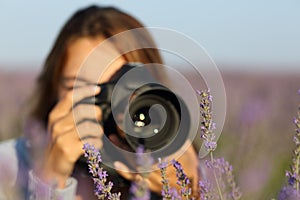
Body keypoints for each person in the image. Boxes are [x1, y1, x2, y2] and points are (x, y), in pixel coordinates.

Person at [0, 5, 199, 199]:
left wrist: (188, 190)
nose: (102, 107)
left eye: (124, 89)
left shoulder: (172, 165)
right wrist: (50, 179)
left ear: (155, 94)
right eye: (80, 88)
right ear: (53, 87)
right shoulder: (8, 166)